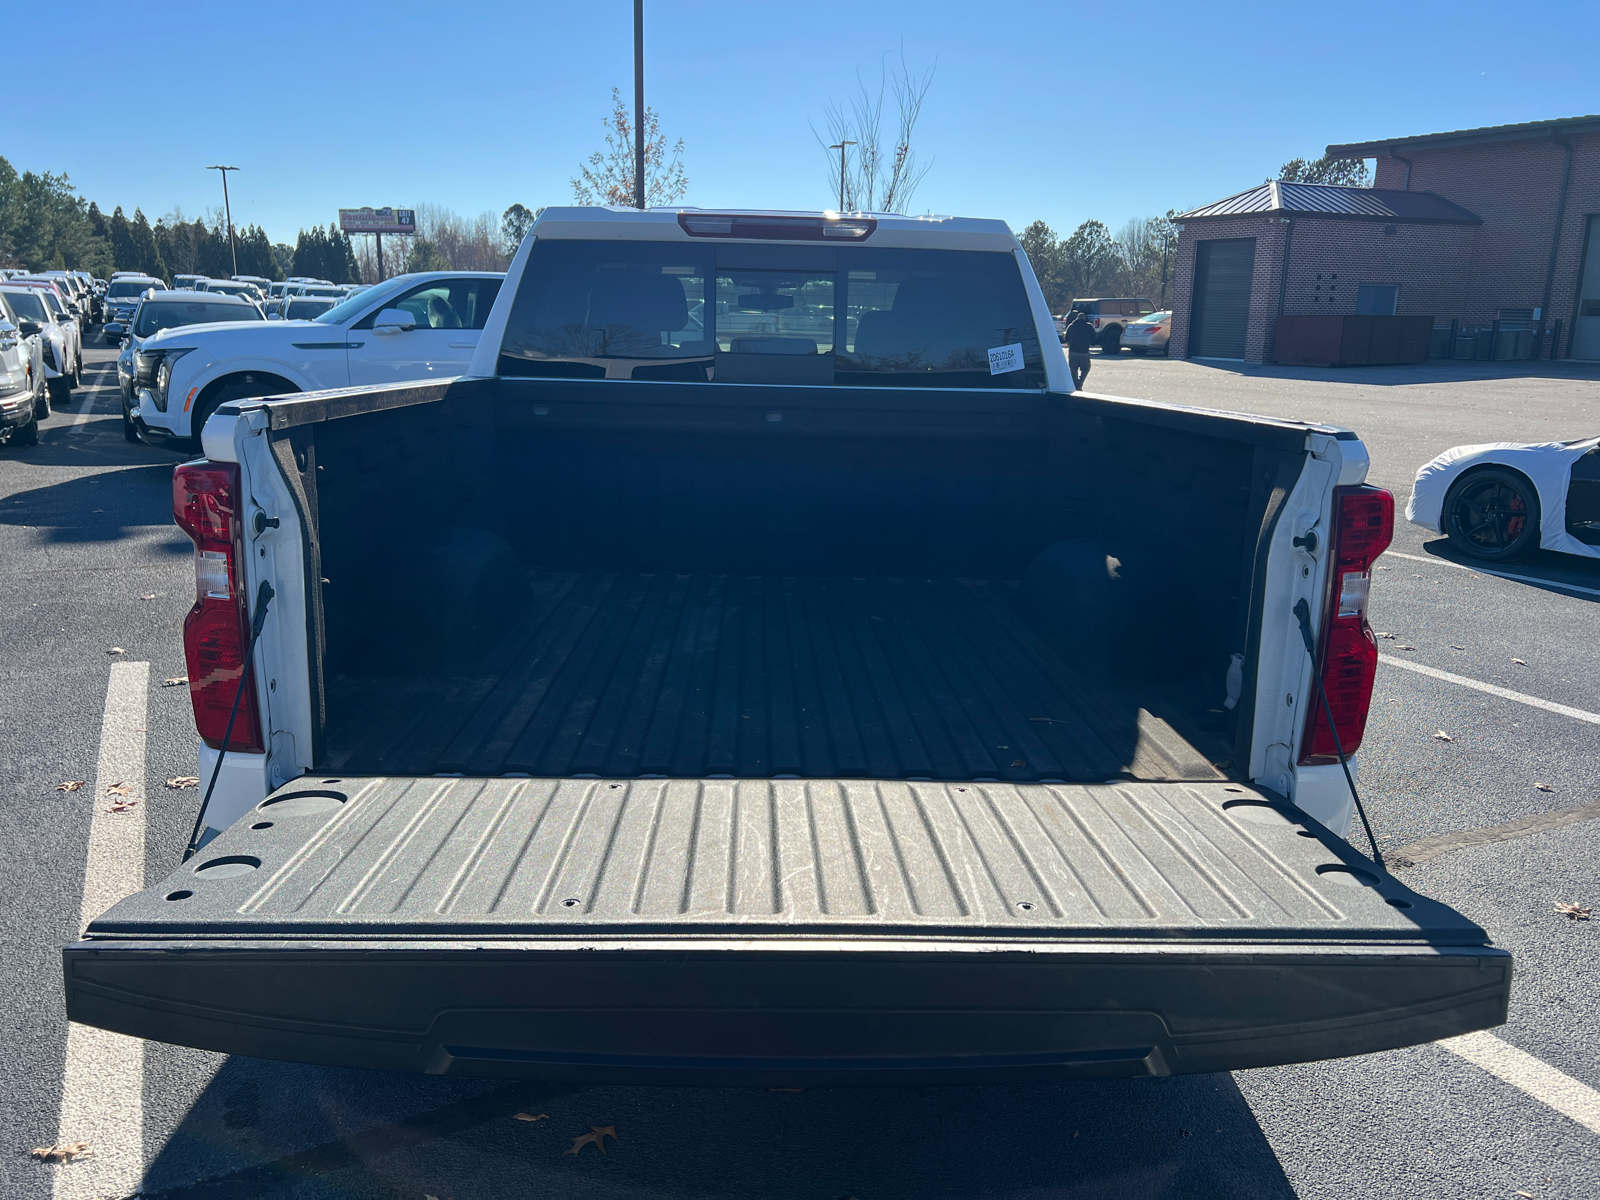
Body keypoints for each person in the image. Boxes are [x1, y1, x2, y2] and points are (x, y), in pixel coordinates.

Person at [1063, 309, 1095, 391]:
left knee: (1073, 369)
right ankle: (1080, 383)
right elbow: (1094, 340)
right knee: (1086, 369)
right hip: (1084, 352)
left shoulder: (1071, 326)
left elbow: (1065, 338)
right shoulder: (1089, 326)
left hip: (1073, 352)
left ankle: (1075, 383)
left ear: (1076, 318)